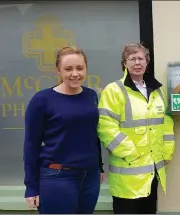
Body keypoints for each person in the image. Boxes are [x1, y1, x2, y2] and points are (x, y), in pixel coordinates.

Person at [23, 46, 105, 214]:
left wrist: (99, 167)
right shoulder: (42, 100)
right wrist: (31, 187)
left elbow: (92, 134)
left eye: (80, 68)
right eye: (68, 69)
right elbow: (31, 144)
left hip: (90, 177)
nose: (75, 73)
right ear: (58, 70)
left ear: (86, 68)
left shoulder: (91, 96)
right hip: (57, 178)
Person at [97, 43, 175, 214]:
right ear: (124, 63)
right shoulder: (114, 90)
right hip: (127, 172)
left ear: (147, 62)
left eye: (141, 58)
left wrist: (167, 151)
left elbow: (166, 123)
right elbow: (105, 126)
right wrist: (130, 152)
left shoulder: (157, 91)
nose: (137, 63)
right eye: (132, 59)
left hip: (153, 170)